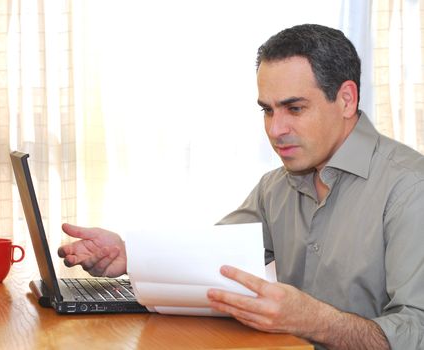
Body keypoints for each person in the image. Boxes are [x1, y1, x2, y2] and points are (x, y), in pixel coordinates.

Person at [57, 24, 424, 349]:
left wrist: (315, 321)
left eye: (294, 109)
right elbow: (211, 259)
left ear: (346, 99)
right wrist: (128, 255)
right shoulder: (275, 187)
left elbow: (417, 331)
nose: (275, 130)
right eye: (267, 110)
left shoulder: (410, 186)